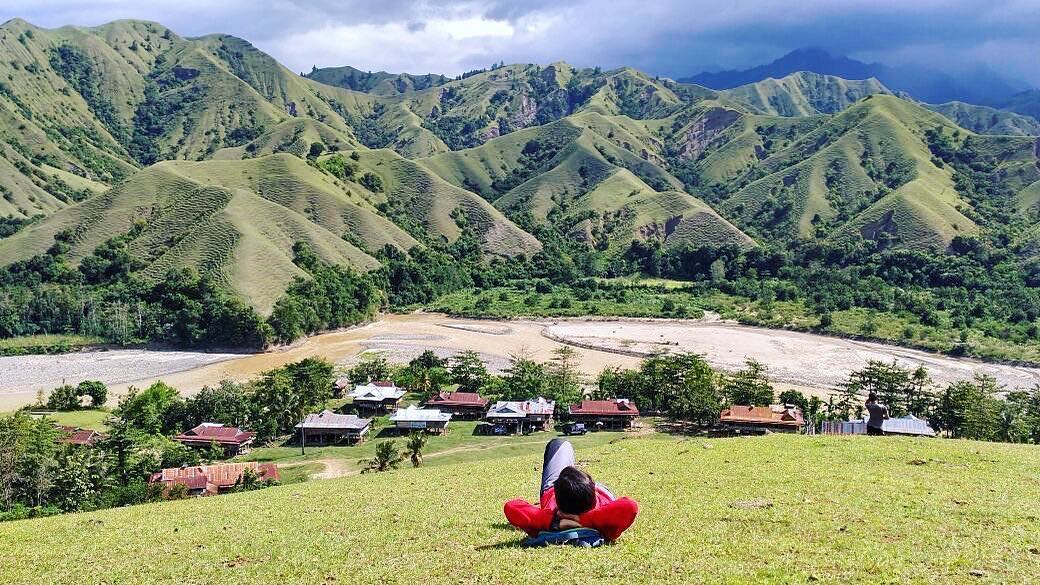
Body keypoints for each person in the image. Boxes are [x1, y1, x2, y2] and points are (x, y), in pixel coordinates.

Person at [503, 438, 639, 542]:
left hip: (554, 488)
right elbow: (630, 506)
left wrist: (556, 522)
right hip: (597, 490)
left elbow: (511, 507)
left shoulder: (550, 515)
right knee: (563, 448)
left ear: (559, 505)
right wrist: (585, 520)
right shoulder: (606, 522)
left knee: (559, 443)